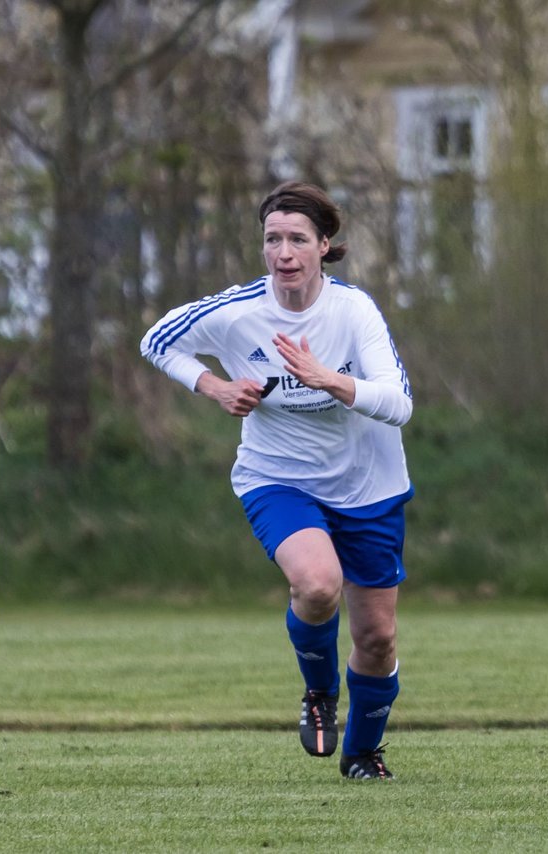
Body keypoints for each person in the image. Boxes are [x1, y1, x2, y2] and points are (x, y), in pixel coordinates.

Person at [141, 181, 413, 781]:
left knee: (377, 639)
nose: (284, 252)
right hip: (277, 478)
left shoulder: (353, 311)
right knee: (318, 585)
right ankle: (318, 695)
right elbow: (156, 339)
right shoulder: (239, 313)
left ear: (324, 246)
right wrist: (213, 386)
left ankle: (363, 756)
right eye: (272, 240)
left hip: (369, 487)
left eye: (296, 239)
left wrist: (329, 379)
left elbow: (399, 404)